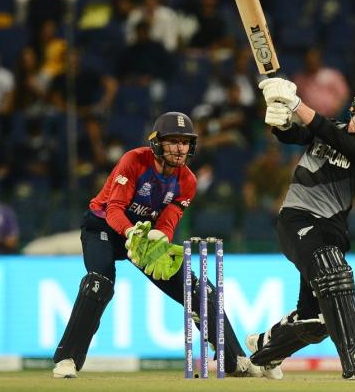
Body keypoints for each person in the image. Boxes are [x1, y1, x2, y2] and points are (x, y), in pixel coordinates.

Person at [52, 111, 261, 379]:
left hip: (145, 237)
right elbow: (114, 208)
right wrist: (132, 233)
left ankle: (234, 360)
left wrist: (160, 238)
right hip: (103, 227)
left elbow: (168, 221)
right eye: (173, 141)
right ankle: (67, 359)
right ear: (157, 143)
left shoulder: (188, 181)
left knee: (197, 288)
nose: (179, 148)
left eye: (184, 142)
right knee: (99, 283)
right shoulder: (134, 160)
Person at [244, 77, 355, 381]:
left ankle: (264, 352)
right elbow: (293, 135)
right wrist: (280, 119)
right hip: (297, 219)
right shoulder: (328, 126)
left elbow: (331, 136)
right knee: (335, 272)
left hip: (331, 230)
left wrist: (297, 104)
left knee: (316, 320)